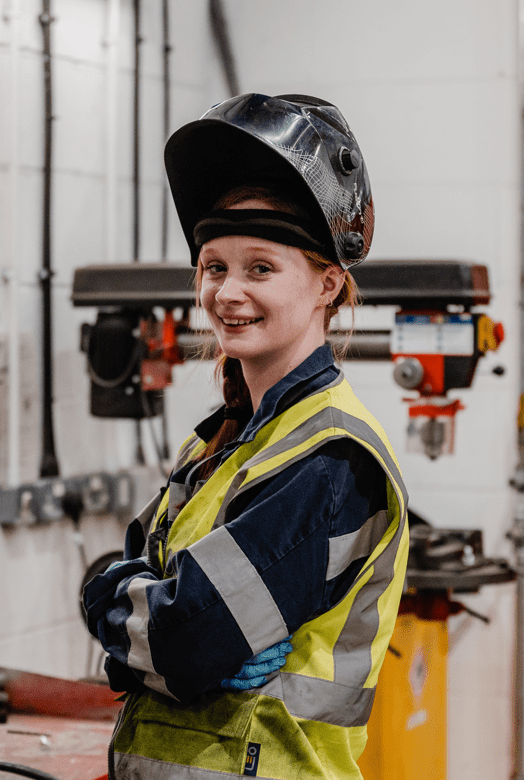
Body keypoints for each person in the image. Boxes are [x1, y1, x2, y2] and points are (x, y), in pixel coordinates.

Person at [83, 93, 409, 780]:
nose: (228, 293)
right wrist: (130, 614)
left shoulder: (328, 460)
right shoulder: (216, 446)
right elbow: (153, 615)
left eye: (260, 268)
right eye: (215, 267)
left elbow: (183, 640)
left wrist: (132, 620)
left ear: (327, 285)